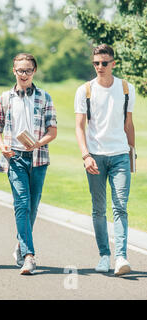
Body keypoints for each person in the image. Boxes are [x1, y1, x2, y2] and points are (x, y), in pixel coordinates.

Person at [0, 53, 57, 275]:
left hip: (38, 158)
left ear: (34, 71)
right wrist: (2, 147)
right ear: (14, 71)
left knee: (33, 206)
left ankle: (21, 244)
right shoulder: (4, 98)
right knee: (21, 204)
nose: (24, 74)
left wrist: (38, 143)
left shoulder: (45, 97)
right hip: (15, 158)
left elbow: (53, 131)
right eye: (20, 70)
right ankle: (30, 256)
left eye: (28, 70)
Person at [74, 44, 135, 276]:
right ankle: (104, 255)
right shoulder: (85, 90)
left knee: (120, 207)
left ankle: (121, 257)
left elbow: (129, 124)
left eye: (104, 63)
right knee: (98, 209)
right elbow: (80, 127)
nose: (100, 67)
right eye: (96, 63)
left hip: (119, 155)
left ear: (113, 64)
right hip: (95, 157)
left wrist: (132, 154)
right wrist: (85, 155)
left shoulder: (126, 88)